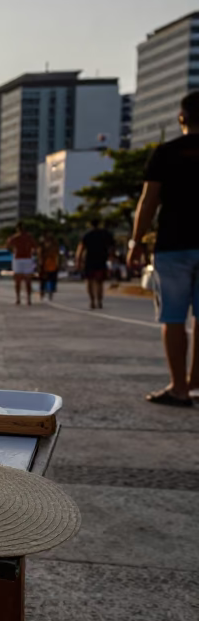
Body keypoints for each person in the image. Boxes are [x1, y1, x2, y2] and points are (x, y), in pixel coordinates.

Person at [128, 90, 199, 407]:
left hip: (173, 245)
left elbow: (149, 202)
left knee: (173, 317)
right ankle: (195, 384)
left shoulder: (165, 153)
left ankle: (179, 388)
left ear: (181, 118)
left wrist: (137, 241)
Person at [75, 219, 115, 310]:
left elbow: (80, 249)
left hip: (90, 260)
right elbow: (111, 247)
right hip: (101, 260)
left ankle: (92, 301)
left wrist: (78, 261)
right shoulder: (105, 234)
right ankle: (99, 301)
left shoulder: (87, 235)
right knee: (99, 282)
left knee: (90, 281)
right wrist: (111, 258)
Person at [5, 223, 37, 305]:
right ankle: (27, 299)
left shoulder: (15, 238)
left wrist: (13, 249)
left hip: (19, 258)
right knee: (27, 280)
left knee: (19, 280)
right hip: (26, 258)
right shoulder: (29, 237)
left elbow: (7, 245)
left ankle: (19, 298)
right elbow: (35, 247)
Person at [38, 237, 61, 302]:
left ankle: (44, 294)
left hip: (49, 265)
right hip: (49, 265)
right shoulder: (51, 247)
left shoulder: (45, 248)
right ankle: (46, 294)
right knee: (48, 280)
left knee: (45, 281)